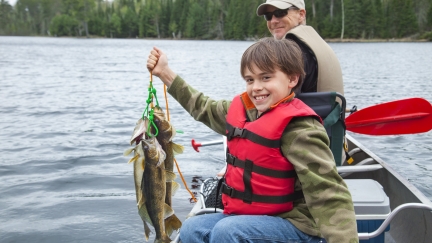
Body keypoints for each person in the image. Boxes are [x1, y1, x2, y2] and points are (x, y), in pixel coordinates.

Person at [146, 38, 358, 243]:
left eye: (266, 78)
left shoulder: (301, 130)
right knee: (193, 229)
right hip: (255, 217)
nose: (256, 87)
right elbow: (202, 106)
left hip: (297, 226)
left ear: (292, 79)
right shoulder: (244, 110)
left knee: (227, 232)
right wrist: (165, 72)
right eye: (250, 79)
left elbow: (329, 193)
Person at [257, 0, 344, 96]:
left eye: (280, 13)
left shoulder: (292, 47)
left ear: (301, 15)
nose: (273, 21)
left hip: (310, 110)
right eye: (268, 16)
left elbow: (283, 100)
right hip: (329, 110)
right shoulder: (313, 40)